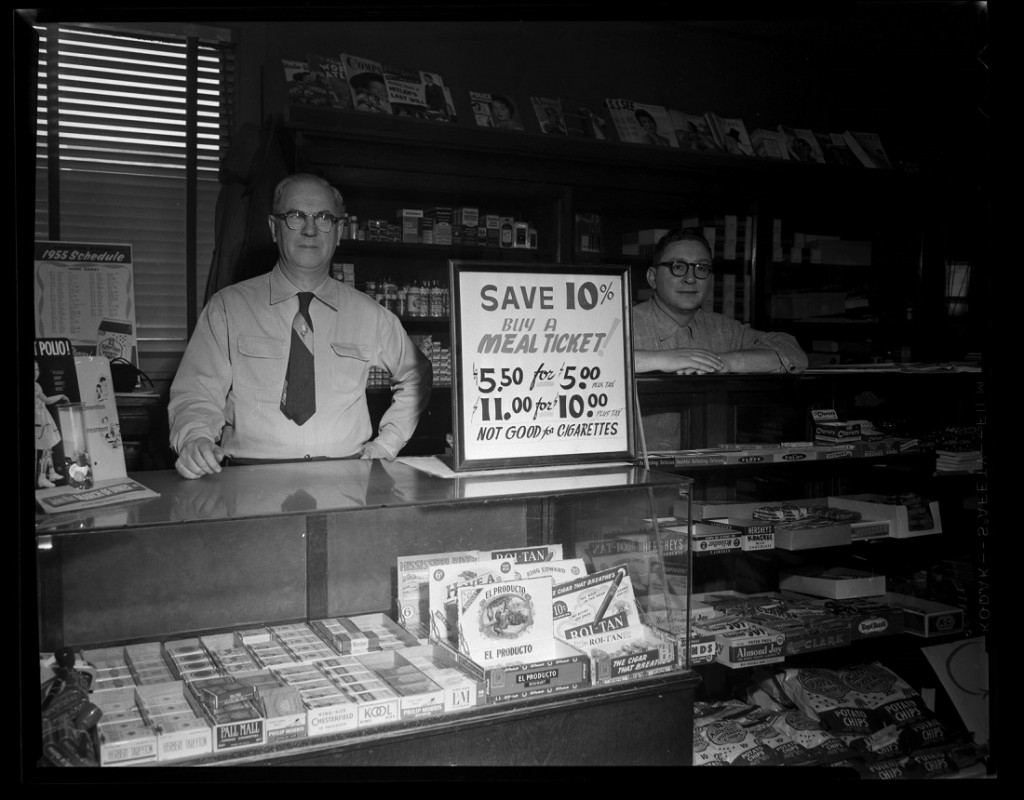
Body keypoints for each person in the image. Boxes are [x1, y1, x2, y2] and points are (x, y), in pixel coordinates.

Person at [168, 173, 432, 480]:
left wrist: (386, 445)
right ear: (273, 228)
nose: (309, 229)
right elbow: (196, 393)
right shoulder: (228, 307)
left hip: (345, 480)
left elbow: (417, 373)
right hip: (248, 480)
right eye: (295, 216)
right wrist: (195, 438)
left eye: (323, 217)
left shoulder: (370, 313)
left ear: (339, 229)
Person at [633, 228, 808, 376]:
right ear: (652, 278)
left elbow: (792, 353)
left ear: (711, 280)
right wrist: (658, 359)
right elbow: (605, 363)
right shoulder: (624, 324)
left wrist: (723, 362)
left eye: (701, 268)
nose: (691, 278)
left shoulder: (724, 330)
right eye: (678, 267)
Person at [34, 361, 68, 488]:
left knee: (48, 448)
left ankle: (51, 472)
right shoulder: (36, 386)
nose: (35, 372)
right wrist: (61, 395)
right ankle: (42, 477)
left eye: (36, 370)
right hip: (39, 420)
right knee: (45, 449)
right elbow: (47, 400)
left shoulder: (37, 385)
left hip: (44, 418)